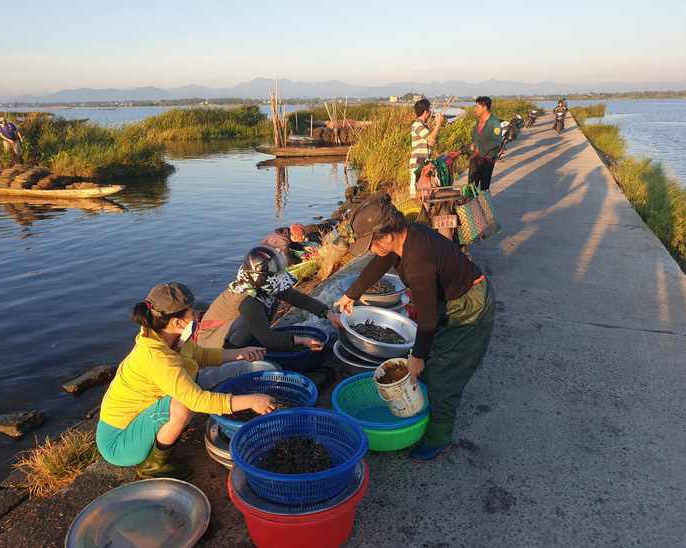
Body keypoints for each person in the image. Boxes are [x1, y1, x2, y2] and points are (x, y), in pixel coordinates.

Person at [335, 192, 495, 463]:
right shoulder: (405, 235)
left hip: (470, 308)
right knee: (432, 365)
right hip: (450, 300)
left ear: (386, 236)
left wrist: (416, 357)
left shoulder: (418, 262)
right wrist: (352, 293)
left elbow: (428, 319)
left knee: (445, 374)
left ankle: (439, 440)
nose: (371, 250)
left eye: (370, 244)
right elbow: (379, 263)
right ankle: (429, 413)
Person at [96, 282, 276, 480]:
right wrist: (252, 401)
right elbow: (198, 401)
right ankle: (153, 465)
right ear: (177, 322)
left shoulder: (170, 338)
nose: (196, 317)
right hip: (118, 442)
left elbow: (203, 355)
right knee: (182, 406)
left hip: (137, 420)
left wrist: (240, 354)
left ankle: (165, 432)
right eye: (192, 313)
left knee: (188, 384)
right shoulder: (157, 358)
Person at [195, 246, 342, 350]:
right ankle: (233, 355)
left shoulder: (258, 283)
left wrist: (327, 313)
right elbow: (267, 338)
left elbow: (298, 298)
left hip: (230, 330)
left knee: (270, 305)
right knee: (247, 322)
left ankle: (248, 342)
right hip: (208, 343)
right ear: (258, 276)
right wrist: (302, 340)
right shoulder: (247, 298)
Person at [467, 96, 503, 191]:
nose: (475, 109)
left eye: (477, 107)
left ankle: (484, 205)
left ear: (485, 108)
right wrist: (473, 144)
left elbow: (496, 141)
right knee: (471, 186)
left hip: (487, 158)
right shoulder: (479, 120)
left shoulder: (494, 122)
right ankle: (472, 205)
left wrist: (481, 148)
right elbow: (475, 134)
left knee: (484, 187)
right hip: (475, 156)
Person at [409, 99, 443, 197]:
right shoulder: (417, 125)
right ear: (426, 112)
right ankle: (414, 211)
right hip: (418, 164)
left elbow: (429, 139)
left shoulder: (423, 126)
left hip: (424, 163)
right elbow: (431, 137)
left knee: (425, 191)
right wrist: (438, 124)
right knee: (415, 193)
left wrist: (430, 141)